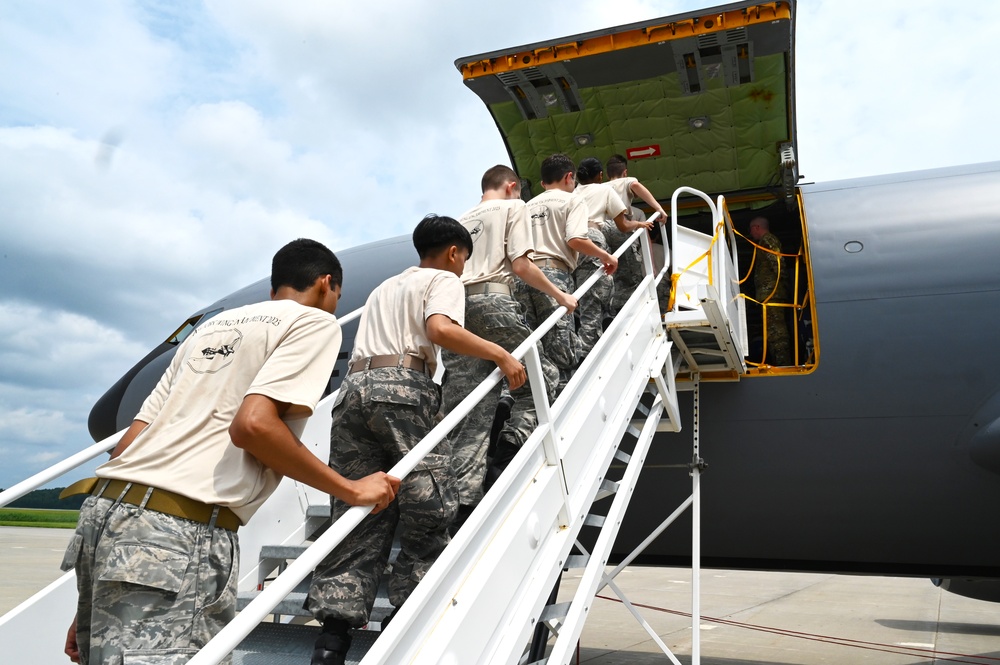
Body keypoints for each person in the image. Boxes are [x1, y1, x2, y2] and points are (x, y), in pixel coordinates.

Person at [59, 239, 399, 665]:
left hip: (108, 514)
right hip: (178, 526)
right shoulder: (313, 323)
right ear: (327, 284)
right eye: (337, 297)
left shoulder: (208, 331)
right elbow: (254, 425)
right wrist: (349, 489)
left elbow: (130, 443)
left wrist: (95, 601)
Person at [305, 214, 526, 665]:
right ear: (453, 253)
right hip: (404, 388)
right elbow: (440, 330)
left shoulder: (386, 286)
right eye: (463, 258)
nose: (462, 267)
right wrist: (501, 354)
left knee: (359, 512)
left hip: (353, 394)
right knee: (431, 505)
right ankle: (404, 624)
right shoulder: (443, 279)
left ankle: (331, 643)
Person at [442, 165, 575, 529]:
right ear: (513, 187)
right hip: (493, 304)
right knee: (543, 377)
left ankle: (460, 507)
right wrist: (561, 295)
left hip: (454, 312)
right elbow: (521, 265)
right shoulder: (514, 208)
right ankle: (508, 451)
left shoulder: (459, 220)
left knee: (470, 412)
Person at [515, 153, 618, 394]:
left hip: (522, 276)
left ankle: (529, 399)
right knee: (561, 341)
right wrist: (606, 256)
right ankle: (564, 396)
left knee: (535, 344)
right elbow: (575, 239)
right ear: (569, 177)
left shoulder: (524, 207)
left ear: (542, 183)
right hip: (553, 274)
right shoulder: (572, 201)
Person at [573, 157, 653, 353]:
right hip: (591, 237)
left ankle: (582, 338)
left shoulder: (572, 194)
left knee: (580, 293)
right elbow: (623, 225)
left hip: (570, 244)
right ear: (601, 176)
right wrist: (639, 224)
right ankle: (590, 347)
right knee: (601, 285)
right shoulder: (605, 190)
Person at [605, 154, 669, 315]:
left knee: (612, 275)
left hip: (604, 232)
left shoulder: (602, 187)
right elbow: (636, 185)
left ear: (606, 175)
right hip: (623, 229)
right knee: (632, 275)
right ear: (625, 172)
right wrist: (659, 209)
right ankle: (634, 311)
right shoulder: (627, 181)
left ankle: (614, 311)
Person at [748, 216, 792, 366]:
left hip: (773, 295)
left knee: (776, 331)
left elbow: (778, 263)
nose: (751, 234)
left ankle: (783, 363)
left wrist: (781, 287)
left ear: (756, 228)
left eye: (751, 230)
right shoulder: (764, 242)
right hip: (768, 295)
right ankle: (778, 361)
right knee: (771, 331)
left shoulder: (768, 240)